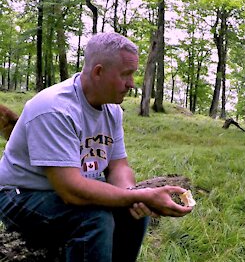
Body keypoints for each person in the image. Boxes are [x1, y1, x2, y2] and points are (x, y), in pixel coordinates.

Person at [0, 32, 193, 261]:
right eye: (126, 75)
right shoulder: (54, 108)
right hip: (21, 194)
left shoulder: (111, 109)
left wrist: (133, 195)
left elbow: (118, 166)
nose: (131, 84)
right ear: (98, 71)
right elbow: (70, 190)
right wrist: (137, 196)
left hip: (73, 184)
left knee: (135, 212)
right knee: (93, 219)